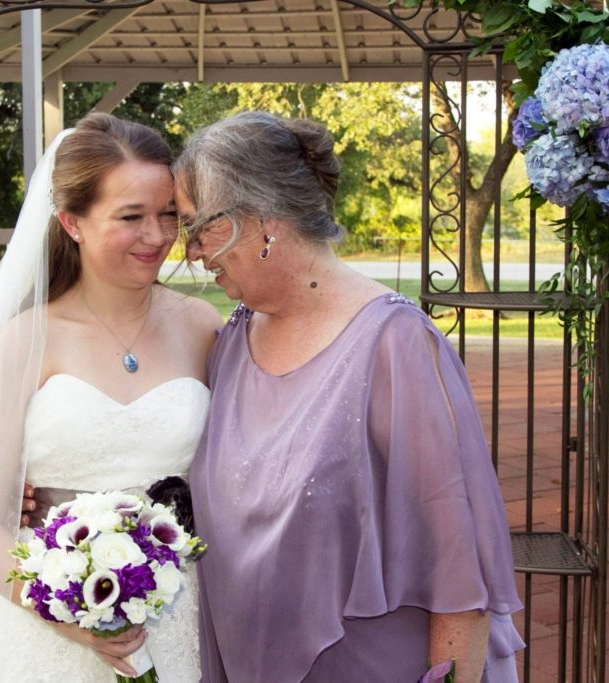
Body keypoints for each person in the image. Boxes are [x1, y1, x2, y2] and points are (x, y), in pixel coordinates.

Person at [175, 111, 524, 683]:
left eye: (199, 226)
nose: (191, 250)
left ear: (262, 220)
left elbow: (460, 566)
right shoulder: (233, 340)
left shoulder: (395, 345)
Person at [0, 113, 221, 682]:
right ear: (71, 222)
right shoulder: (22, 341)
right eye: (131, 217)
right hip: (50, 623)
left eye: (167, 215)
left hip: (183, 612)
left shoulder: (203, 325)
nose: (157, 237)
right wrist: (63, 616)